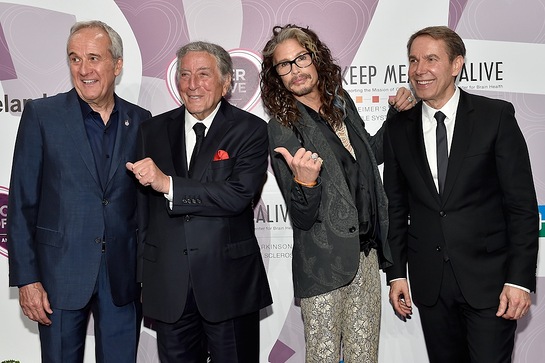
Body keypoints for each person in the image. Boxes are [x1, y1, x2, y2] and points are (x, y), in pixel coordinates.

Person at [383, 25, 539, 363]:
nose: (419, 70)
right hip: (430, 285)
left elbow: (522, 207)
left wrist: (519, 280)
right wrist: (396, 273)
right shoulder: (397, 129)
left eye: (431, 59)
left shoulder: (494, 117)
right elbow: (395, 207)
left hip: (491, 284)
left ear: (457, 65)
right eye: (413, 60)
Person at [261, 24, 415, 363]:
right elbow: (301, 216)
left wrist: (397, 116)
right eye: (283, 65)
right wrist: (305, 182)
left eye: (300, 58)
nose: (294, 70)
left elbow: (372, 156)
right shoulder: (283, 126)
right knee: (324, 358)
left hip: (366, 255)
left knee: (365, 357)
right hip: (324, 263)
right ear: (277, 76)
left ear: (316, 58)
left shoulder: (340, 105)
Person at [7, 20, 151, 362]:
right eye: (74, 59)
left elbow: (146, 209)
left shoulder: (142, 120)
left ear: (116, 65)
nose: (83, 69)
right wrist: (27, 279)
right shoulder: (42, 115)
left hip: (123, 279)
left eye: (93, 58)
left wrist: (149, 274)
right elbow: (22, 203)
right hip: (59, 277)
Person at [125, 41, 272, 363]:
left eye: (203, 74)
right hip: (168, 284)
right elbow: (142, 212)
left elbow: (238, 195)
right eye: (185, 75)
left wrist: (168, 184)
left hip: (229, 284)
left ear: (227, 81)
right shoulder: (151, 130)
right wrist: (143, 275)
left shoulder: (251, 130)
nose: (192, 84)